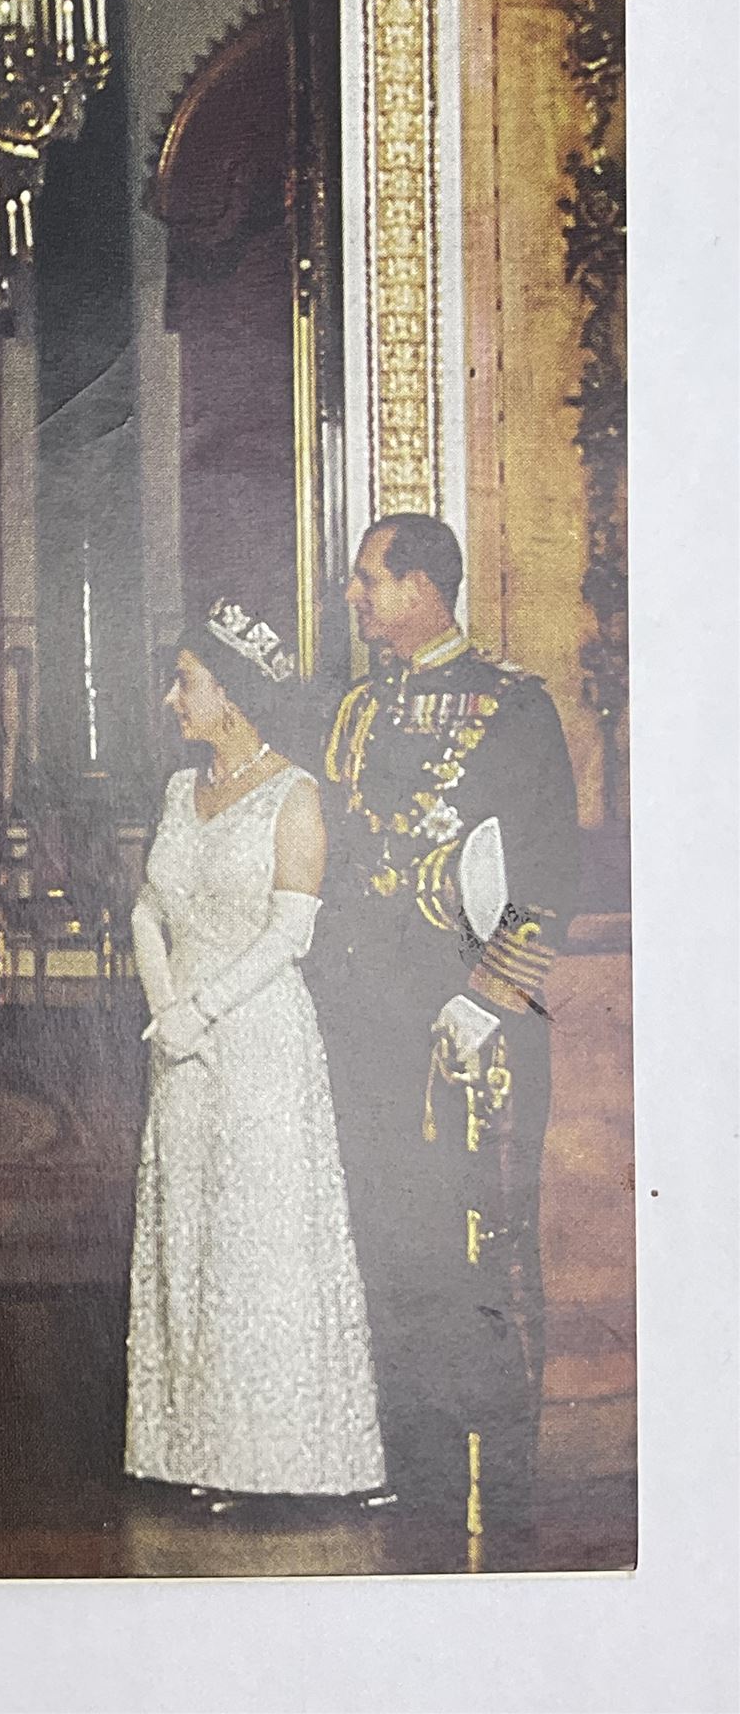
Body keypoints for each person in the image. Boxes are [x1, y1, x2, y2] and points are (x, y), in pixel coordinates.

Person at [312, 514, 580, 1533]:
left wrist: (487, 997)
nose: (355, 596)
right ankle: (415, 1468)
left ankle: (499, 1482)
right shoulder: (356, 712)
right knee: (394, 1241)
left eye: (368, 578)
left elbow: (551, 874)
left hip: (474, 1032)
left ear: (424, 586)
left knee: (489, 1250)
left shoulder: (513, 710)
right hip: (370, 1025)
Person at [124, 599, 383, 1508]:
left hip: (261, 1043)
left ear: (229, 694)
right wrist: (169, 1012)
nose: (169, 698)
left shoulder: (295, 793)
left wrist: (203, 1007)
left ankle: (270, 1461)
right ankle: (194, 1453)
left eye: (183, 681)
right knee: (189, 1239)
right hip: (181, 1048)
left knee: (255, 1246)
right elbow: (147, 909)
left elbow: (291, 936)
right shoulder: (175, 791)